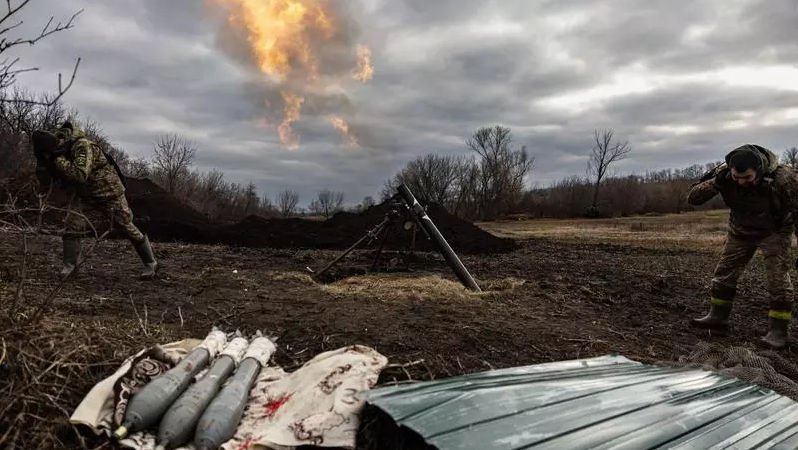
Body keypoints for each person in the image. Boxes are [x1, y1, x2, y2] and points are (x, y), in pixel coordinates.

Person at [687, 144, 798, 349]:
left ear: (759, 170)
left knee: (778, 280)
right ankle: (717, 316)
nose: (741, 182)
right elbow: (693, 198)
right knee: (724, 273)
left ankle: (778, 331)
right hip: (740, 230)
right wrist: (716, 183)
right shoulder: (724, 175)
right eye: (736, 177)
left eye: (747, 178)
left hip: (775, 232)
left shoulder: (784, 178)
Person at [31, 121, 159, 279]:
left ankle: (151, 262)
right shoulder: (55, 152)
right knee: (72, 224)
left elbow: (79, 175)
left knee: (125, 225)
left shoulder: (81, 146)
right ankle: (70, 267)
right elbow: (46, 182)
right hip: (84, 194)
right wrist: (44, 164)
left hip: (108, 192)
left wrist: (58, 159)